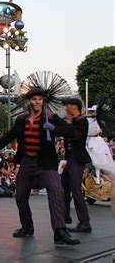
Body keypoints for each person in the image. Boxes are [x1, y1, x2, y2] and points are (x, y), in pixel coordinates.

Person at [0, 87, 80, 245]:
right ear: (29, 101)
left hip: (45, 162)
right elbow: (9, 136)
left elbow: (71, 131)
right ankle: (27, 227)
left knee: (56, 193)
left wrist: (54, 128)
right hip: (27, 161)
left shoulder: (50, 117)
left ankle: (60, 231)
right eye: (34, 99)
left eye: (40, 99)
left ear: (43, 101)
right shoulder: (21, 120)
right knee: (21, 195)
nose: (37, 102)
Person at [61, 99, 92, 233]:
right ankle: (65, 215)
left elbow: (76, 136)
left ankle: (85, 221)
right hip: (70, 159)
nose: (66, 109)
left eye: (68, 106)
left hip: (78, 158)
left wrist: (69, 124)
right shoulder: (72, 122)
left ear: (74, 108)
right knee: (64, 185)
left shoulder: (82, 121)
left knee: (75, 187)